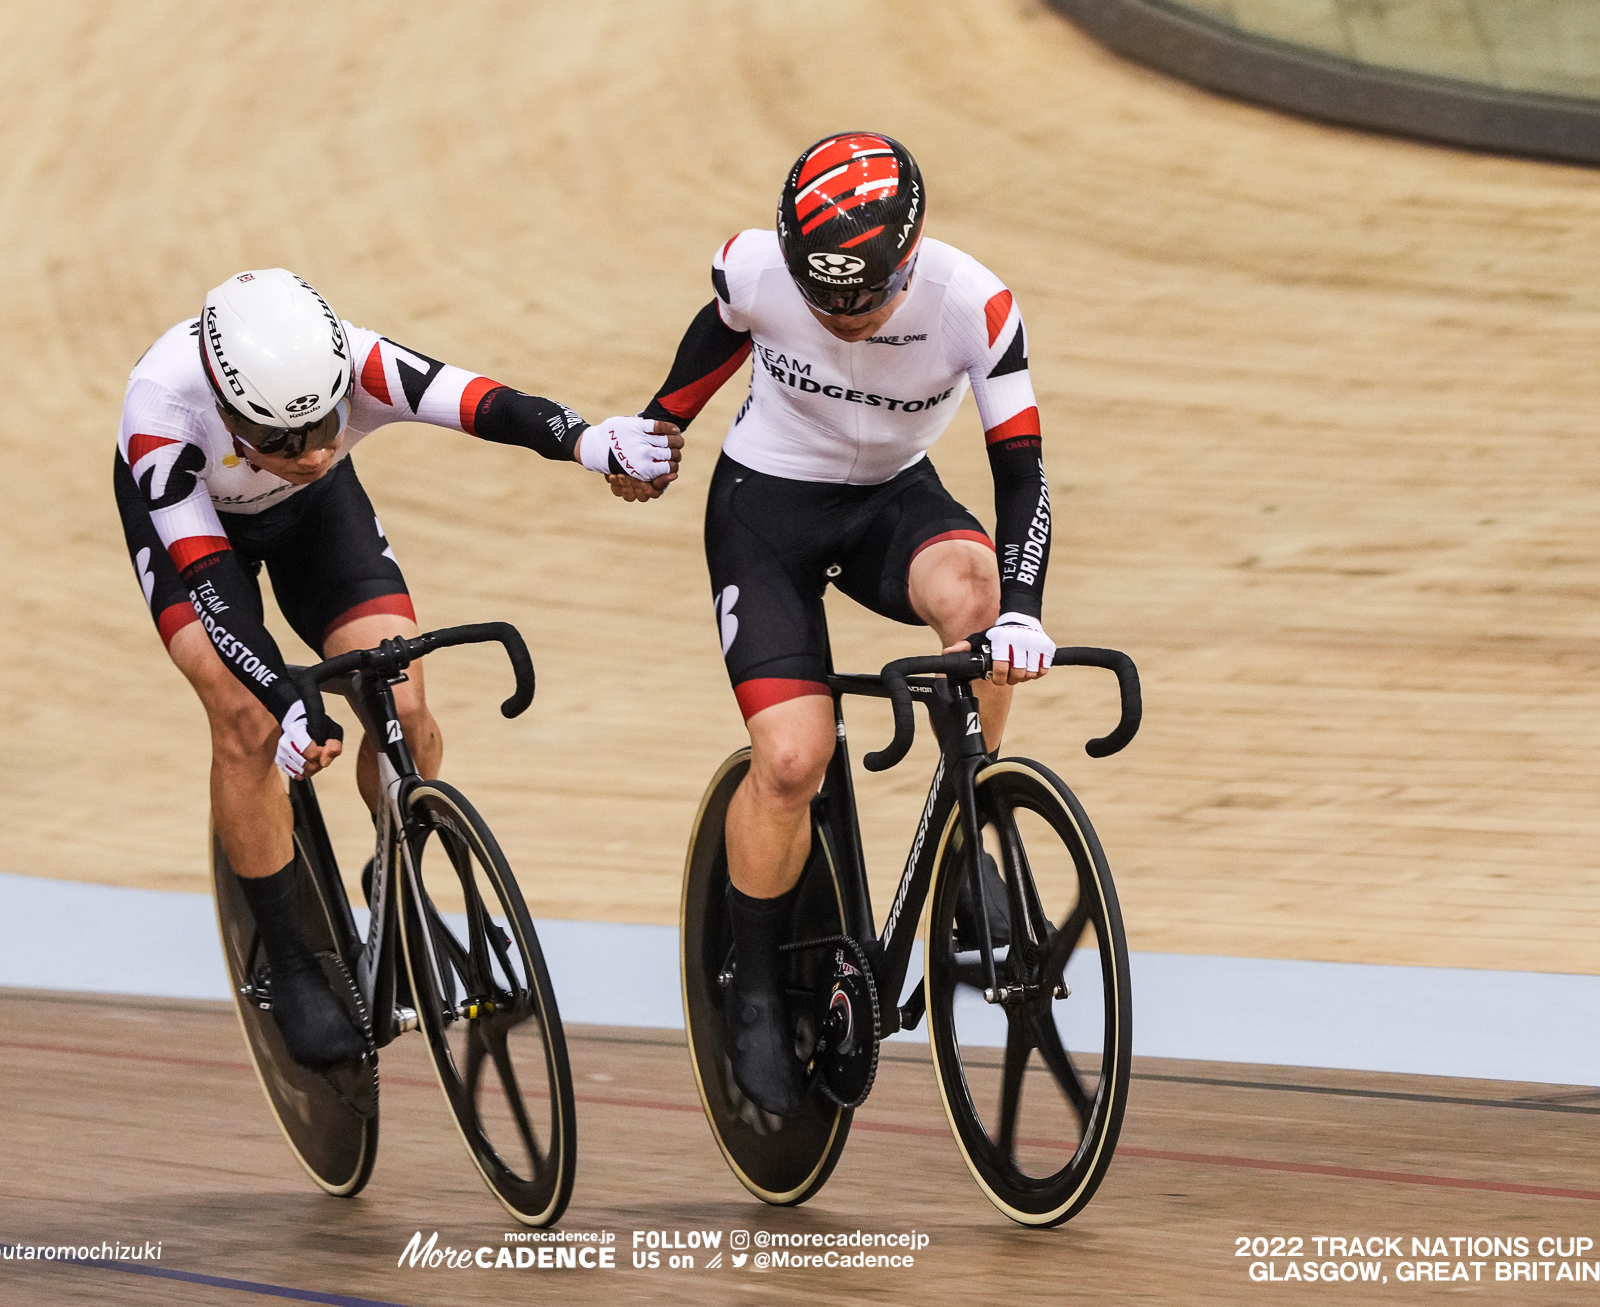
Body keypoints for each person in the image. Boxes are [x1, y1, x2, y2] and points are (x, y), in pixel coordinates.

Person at [115, 268, 678, 1068]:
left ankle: (394, 870)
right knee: (246, 720)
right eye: (280, 440)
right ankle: (294, 958)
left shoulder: (355, 365)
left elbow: (488, 404)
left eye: (325, 425)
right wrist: (285, 697)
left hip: (314, 524)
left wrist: (590, 443)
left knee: (401, 700)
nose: (311, 452)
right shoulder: (162, 417)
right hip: (199, 540)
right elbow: (215, 592)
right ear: (230, 413)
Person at [610, 133, 1056, 1115]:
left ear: (909, 256)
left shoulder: (971, 303)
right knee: (790, 760)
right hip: (765, 512)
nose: (843, 318)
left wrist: (1023, 611)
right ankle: (759, 991)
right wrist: (661, 423)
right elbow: (722, 327)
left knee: (978, 599)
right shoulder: (754, 266)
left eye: (864, 298)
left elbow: (1021, 473)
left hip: (892, 502)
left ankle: (967, 830)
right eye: (824, 300)